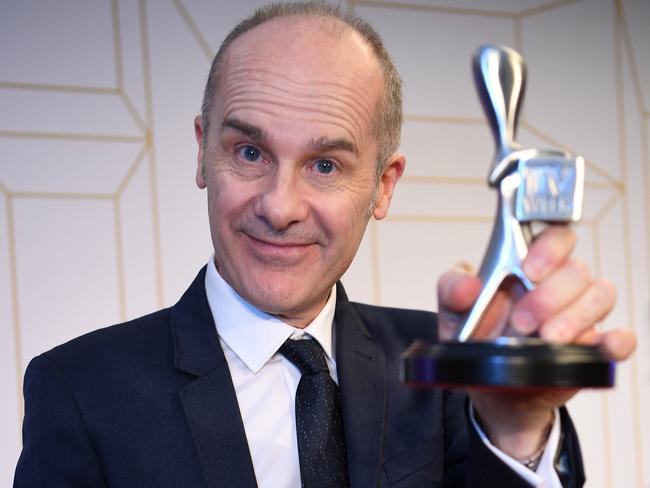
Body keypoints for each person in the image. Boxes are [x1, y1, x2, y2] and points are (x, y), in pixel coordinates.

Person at [14, 2, 636, 487]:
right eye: (250, 152)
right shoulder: (78, 390)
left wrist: (516, 427)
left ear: (383, 186)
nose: (279, 206)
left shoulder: (448, 371)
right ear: (203, 151)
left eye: (326, 166)